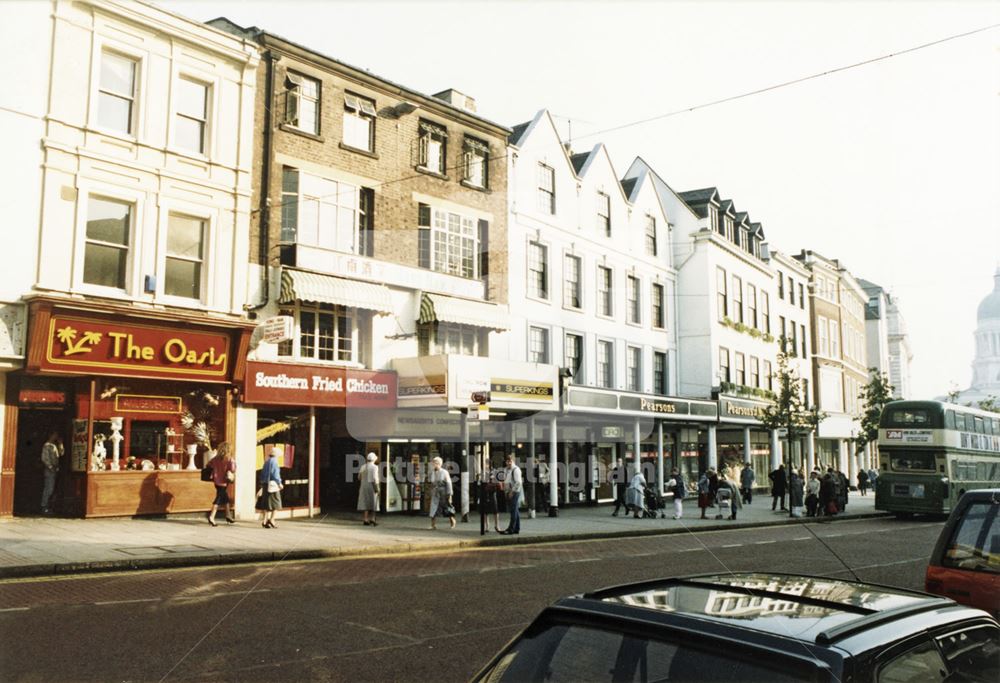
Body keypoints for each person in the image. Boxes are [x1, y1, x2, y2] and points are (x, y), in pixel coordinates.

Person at [206, 442, 236, 526]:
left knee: (225, 497)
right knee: (218, 499)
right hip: (224, 481)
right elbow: (233, 469)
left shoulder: (215, 458)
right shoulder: (229, 459)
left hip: (216, 481)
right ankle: (212, 516)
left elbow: (208, 464)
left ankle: (228, 515)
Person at [259, 445, 284, 529]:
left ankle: (264, 520)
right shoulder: (274, 462)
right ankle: (272, 520)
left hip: (265, 484)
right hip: (273, 485)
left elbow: (262, 474)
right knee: (276, 503)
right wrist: (279, 483)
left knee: (266, 503)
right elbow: (275, 474)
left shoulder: (267, 461)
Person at [428, 456, 455, 530]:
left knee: (447, 507)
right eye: (433, 463)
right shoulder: (433, 472)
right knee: (433, 508)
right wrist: (431, 491)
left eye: (435, 463)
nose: (434, 464)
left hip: (443, 493)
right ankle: (433, 524)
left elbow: (449, 483)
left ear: (439, 464)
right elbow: (432, 483)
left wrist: (449, 495)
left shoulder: (444, 472)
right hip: (436, 492)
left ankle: (452, 521)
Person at [40, 432, 63, 515]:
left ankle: (49, 506)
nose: (56, 436)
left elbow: (61, 453)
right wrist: (50, 467)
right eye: (55, 435)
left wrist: (60, 444)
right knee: (49, 488)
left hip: (55, 469)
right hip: (50, 470)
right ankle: (44, 506)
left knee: (52, 489)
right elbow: (44, 458)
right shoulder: (47, 445)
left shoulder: (55, 445)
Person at [501, 454, 523, 534]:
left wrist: (512, 492)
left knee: (513, 510)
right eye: (507, 461)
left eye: (510, 461)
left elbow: (518, 482)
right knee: (515, 510)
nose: (508, 463)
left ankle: (511, 529)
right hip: (508, 491)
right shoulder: (506, 469)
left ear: (513, 461)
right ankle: (516, 528)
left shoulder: (516, 469)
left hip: (514, 492)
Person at [357, 452, 380, 526]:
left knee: (365, 502)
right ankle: (373, 518)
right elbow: (375, 478)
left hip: (364, 486)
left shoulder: (363, 466)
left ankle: (365, 519)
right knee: (373, 502)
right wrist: (377, 488)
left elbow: (359, 477)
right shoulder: (375, 467)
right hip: (372, 486)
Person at [483, 458, 503, 532]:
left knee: (495, 510)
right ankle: (487, 526)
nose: (487, 465)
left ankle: (497, 525)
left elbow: (499, 482)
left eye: (488, 464)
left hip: (493, 492)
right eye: (486, 464)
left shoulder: (495, 472)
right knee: (486, 511)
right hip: (486, 492)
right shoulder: (484, 472)